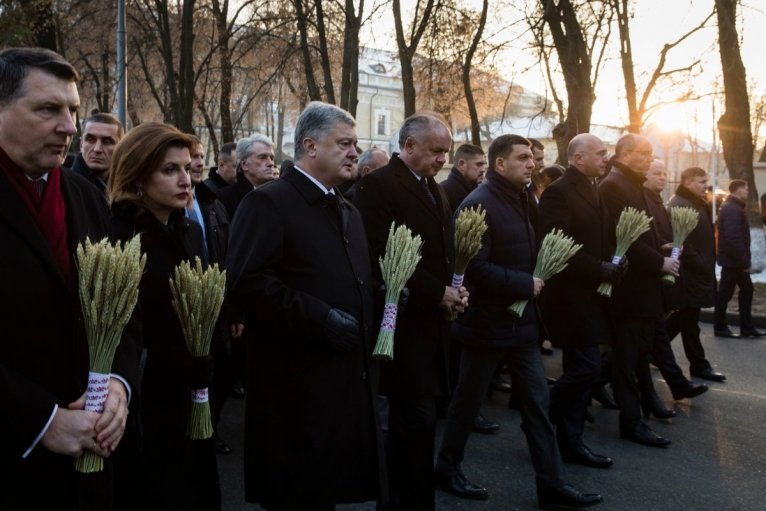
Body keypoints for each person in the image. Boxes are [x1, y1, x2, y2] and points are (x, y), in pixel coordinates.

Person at [225, 101, 385, 510]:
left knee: (324, 491)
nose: (354, 152)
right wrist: (321, 318)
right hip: (294, 385)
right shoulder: (269, 202)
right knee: (298, 493)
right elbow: (248, 283)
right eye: (345, 143)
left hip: (342, 376)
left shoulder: (347, 208)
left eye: (356, 144)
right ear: (310, 146)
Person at [434, 134, 602, 511]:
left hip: (521, 324)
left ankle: (552, 485)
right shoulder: (477, 204)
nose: (532, 164)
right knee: (466, 401)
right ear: (499, 164)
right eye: (523, 158)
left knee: (537, 405)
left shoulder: (524, 198)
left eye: (532, 158)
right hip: (486, 325)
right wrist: (524, 283)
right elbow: (470, 266)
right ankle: (446, 467)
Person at [0, 47, 136, 510]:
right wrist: (41, 420)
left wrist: (119, 383)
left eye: (72, 110)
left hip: (91, 466)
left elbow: (123, 310)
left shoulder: (86, 195)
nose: (69, 127)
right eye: (48, 109)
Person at [354, 113, 468, 511]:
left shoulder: (433, 188)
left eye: (446, 153)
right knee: (410, 424)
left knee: (419, 424)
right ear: (409, 145)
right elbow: (382, 251)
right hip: (400, 325)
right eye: (436, 151)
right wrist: (437, 292)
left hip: (429, 322)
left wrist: (453, 290)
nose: (442, 159)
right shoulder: (379, 185)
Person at [108, 122, 221, 510]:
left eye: (187, 168)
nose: (185, 180)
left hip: (189, 395)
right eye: (169, 170)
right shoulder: (117, 236)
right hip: (143, 405)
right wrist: (172, 360)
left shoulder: (187, 230)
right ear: (138, 175)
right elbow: (117, 330)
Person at [539, 134, 619, 470]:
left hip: (591, 292)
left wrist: (616, 259)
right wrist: (598, 267)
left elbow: (599, 234)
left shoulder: (592, 186)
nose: (606, 158)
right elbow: (558, 243)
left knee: (582, 368)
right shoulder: (559, 192)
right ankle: (542, 422)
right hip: (570, 295)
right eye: (600, 153)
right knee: (585, 368)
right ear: (577, 158)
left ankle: (568, 440)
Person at [599, 134, 678, 448]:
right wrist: (660, 262)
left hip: (644, 286)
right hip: (630, 287)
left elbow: (643, 231)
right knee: (626, 357)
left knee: (637, 353)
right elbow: (625, 238)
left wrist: (662, 248)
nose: (650, 159)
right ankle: (630, 421)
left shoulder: (632, 183)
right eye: (645, 154)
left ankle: (635, 408)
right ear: (625, 154)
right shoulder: (614, 185)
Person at [640, 162, 711, 403]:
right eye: (656, 173)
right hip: (664, 275)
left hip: (667, 273)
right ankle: (595, 382)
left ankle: (678, 382)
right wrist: (695, 261)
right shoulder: (672, 204)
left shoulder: (661, 201)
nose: (662, 177)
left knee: (662, 334)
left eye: (664, 174)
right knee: (639, 344)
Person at [187, 137, 238, 454]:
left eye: (199, 156)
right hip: (184, 307)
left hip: (217, 305)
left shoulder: (212, 203)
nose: (195, 162)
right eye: (191, 156)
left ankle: (209, 425)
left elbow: (226, 258)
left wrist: (233, 311)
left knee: (221, 370)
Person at [667, 167, 729, 380]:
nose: (706, 186)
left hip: (694, 273)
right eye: (701, 181)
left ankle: (652, 350)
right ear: (688, 181)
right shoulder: (680, 204)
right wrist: (701, 263)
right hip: (688, 274)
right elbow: (682, 241)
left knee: (684, 319)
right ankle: (699, 366)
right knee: (688, 321)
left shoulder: (691, 202)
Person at [714, 180, 766, 338]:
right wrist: (744, 262)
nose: (747, 191)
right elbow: (733, 238)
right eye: (745, 188)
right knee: (725, 294)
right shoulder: (732, 209)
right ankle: (720, 327)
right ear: (737, 190)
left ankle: (747, 327)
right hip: (733, 261)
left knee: (746, 290)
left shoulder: (734, 207)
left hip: (734, 260)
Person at [217, 133, 277, 219]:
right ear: (244, 164)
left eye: (272, 158)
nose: (271, 163)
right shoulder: (224, 198)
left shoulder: (279, 195)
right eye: (262, 157)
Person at [69, 112, 123, 196]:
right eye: (90, 140)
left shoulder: (128, 189)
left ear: (120, 148)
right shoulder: (63, 187)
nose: (97, 149)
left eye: (107, 142)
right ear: (81, 144)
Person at [439, 143, 487, 212]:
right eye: (479, 164)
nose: (483, 169)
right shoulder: (443, 192)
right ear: (462, 164)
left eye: (483, 165)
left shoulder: (479, 190)